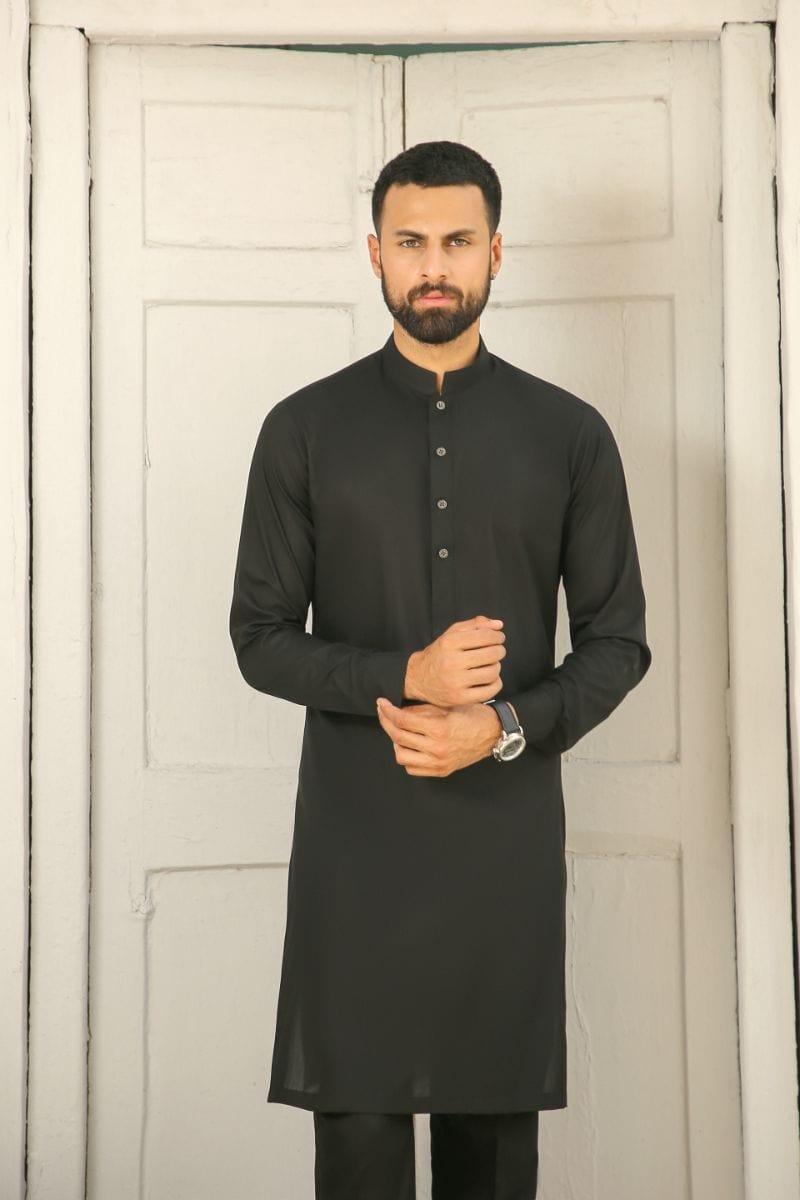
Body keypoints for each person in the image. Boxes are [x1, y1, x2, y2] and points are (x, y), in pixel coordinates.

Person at [229, 140, 652, 1199]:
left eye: (457, 242)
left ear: (496, 252)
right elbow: (259, 635)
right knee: (359, 1153)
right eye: (410, 242)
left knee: (492, 1154)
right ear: (374, 252)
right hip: (355, 853)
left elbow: (618, 642)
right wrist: (405, 674)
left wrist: (499, 726)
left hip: (501, 850)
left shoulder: (569, 435)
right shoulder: (303, 430)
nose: (433, 266)